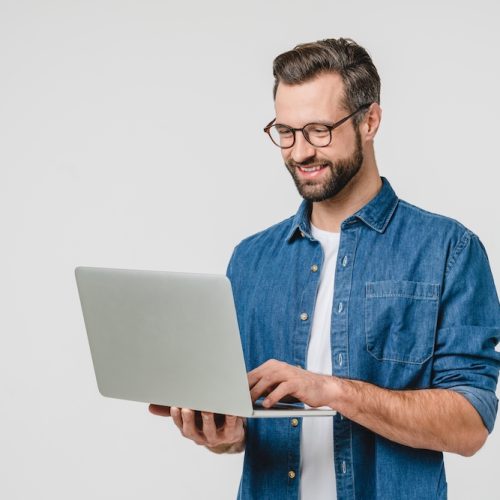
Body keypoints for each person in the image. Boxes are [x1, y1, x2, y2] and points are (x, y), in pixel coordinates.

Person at [149, 38, 500, 499]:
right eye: (286, 132)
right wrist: (224, 436)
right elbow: (241, 425)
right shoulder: (250, 260)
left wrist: (333, 391)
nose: (299, 153)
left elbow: (470, 425)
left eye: (318, 130)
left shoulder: (448, 249)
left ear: (369, 120)